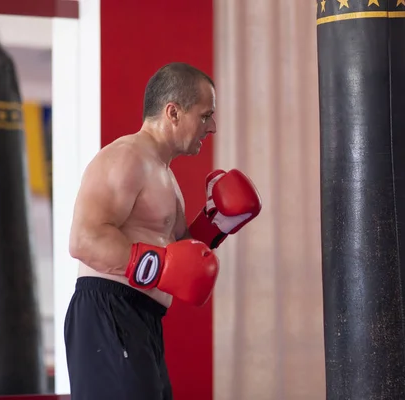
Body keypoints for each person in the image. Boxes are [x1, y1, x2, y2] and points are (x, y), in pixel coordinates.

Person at [64, 62, 262, 400]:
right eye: (204, 115)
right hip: (107, 310)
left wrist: (217, 223)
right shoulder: (125, 158)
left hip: (142, 317)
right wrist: (160, 266)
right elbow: (84, 239)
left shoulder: (163, 173)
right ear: (173, 112)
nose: (211, 126)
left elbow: (177, 253)